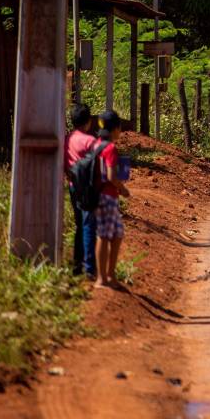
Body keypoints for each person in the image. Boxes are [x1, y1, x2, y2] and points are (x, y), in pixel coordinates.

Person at [93, 110, 130, 288]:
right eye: (120, 128)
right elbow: (111, 176)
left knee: (117, 234)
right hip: (107, 197)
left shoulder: (96, 144)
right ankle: (102, 278)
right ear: (115, 129)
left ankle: (111, 275)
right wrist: (122, 189)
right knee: (104, 235)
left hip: (101, 195)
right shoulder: (110, 148)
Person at [64, 103, 98, 278]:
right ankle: (90, 267)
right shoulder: (91, 141)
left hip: (72, 187)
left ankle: (77, 264)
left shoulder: (67, 139)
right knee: (89, 225)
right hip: (88, 189)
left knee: (80, 224)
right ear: (88, 121)